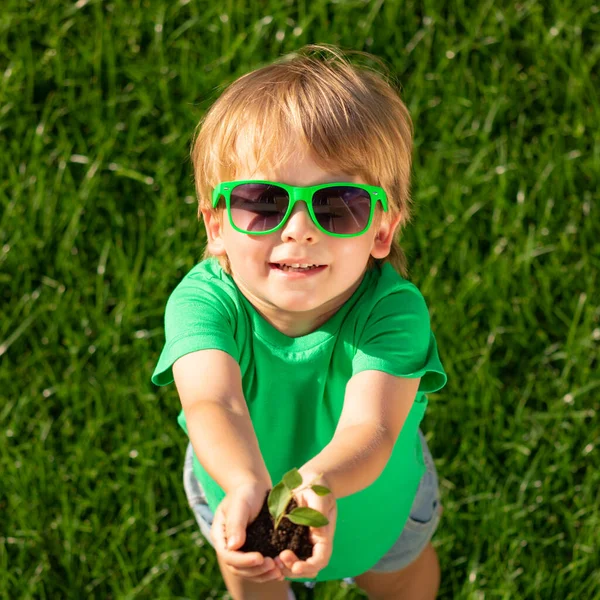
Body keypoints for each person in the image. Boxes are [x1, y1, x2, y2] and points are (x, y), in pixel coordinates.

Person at [152, 44, 448, 600]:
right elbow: (213, 402)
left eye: (337, 205)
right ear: (216, 225)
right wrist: (246, 485)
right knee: (252, 579)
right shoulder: (204, 305)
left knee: (401, 581)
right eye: (263, 202)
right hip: (237, 500)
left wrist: (317, 484)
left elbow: (374, 428)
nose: (298, 229)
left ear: (382, 230)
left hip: (379, 509)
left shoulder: (392, 311)